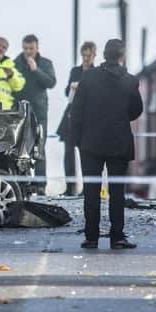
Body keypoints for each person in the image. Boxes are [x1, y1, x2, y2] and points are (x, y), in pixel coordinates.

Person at [70, 39, 143, 249]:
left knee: (91, 192)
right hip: (119, 143)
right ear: (122, 56)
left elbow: (77, 111)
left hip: (90, 143)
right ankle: (117, 237)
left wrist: (77, 140)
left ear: (103, 54)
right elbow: (137, 110)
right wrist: (121, 116)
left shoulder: (88, 77)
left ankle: (91, 237)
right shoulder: (130, 81)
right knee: (117, 193)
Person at [13, 34, 56, 195]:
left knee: (39, 149)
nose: (28, 51)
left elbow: (51, 82)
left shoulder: (45, 63)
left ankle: (40, 185)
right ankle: (24, 185)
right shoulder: (15, 64)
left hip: (39, 113)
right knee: (20, 150)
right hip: (20, 113)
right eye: (25, 48)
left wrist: (36, 70)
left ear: (37, 47)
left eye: (31, 48)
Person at [57, 41, 97, 196]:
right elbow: (67, 92)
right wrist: (72, 87)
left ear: (94, 55)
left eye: (89, 55)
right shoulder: (75, 71)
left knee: (85, 153)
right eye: (84, 55)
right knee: (68, 152)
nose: (86, 58)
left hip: (87, 117)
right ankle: (70, 186)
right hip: (71, 114)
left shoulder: (96, 72)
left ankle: (87, 187)